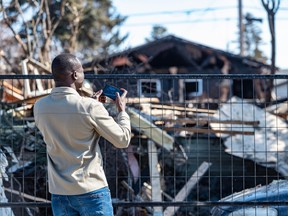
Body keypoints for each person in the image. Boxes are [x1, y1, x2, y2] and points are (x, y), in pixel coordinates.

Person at [33, 53, 131, 216]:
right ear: (75, 74)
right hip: (91, 190)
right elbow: (122, 140)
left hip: (60, 192)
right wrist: (122, 112)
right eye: (82, 71)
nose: (83, 75)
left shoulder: (39, 107)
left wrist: (92, 105)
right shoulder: (90, 107)